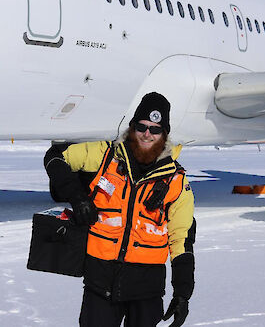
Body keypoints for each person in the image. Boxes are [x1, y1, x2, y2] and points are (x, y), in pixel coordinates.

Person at [44, 92, 196, 327]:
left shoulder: (176, 181)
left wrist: (182, 293)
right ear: (132, 127)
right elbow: (55, 158)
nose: (147, 134)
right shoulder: (105, 156)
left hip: (146, 291)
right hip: (100, 285)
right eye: (142, 126)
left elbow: (182, 239)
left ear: (164, 134)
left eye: (155, 129)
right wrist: (78, 198)